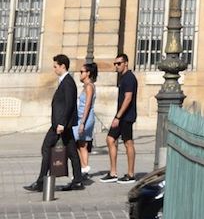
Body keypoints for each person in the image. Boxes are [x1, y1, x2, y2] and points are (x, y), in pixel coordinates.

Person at [24, 54, 84, 192]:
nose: (54, 69)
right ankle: (78, 180)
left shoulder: (68, 82)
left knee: (46, 148)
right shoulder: (64, 81)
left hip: (60, 125)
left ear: (63, 66)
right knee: (72, 152)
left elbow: (69, 105)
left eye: (55, 66)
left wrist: (61, 123)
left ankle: (41, 182)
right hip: (61, 124)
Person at [98, 52, 137, 182]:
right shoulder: (123, 78)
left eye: (119, 63)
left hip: (126, 116)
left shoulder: (129, 78)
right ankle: (113, 172)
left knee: (128, 143)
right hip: (121, 116)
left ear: (126, 63)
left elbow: (128, 98)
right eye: (115, 64)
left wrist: (118, 117)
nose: (116, 66)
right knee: (110, 139)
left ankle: (131, 174)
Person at [74, 62, 97, 177]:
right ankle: (83, 168)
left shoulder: (89, 87)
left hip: (85, 118)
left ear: (88, 73)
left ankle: (84, 168)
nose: (80, 74)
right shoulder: (87, 86)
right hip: (81, 117)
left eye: (82, 72)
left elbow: (87, 105)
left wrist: (82, 122)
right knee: (80, 143)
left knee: (81, 143)